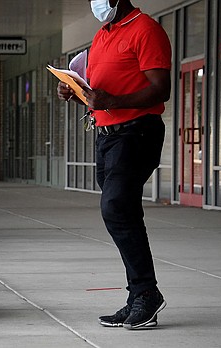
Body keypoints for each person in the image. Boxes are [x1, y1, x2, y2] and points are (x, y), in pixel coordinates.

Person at [57, 0, 172, 330]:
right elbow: (96, 85)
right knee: (123, 212)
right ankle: (139, 294)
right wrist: (73, 90)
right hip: (107, 137)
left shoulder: (145, 29)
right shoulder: (102, 34)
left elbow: (160, 88)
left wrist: (114, 101)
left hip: (137, 132)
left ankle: (146, 294)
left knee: (116, 207)